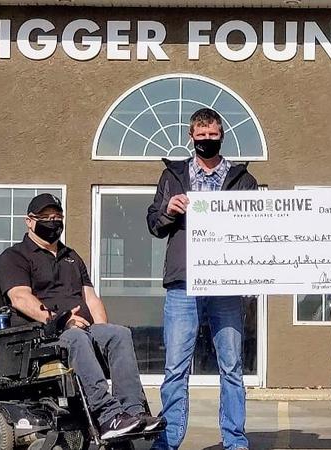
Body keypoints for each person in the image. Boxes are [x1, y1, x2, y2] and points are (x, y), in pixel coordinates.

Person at [0, 193, 164, 440]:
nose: (53, 222)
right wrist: (61, 320)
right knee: (76, 336)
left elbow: (91, 298)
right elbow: (20, 298)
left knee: (118, 334)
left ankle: (132, 413)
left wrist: (102, 333)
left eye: (57, 217)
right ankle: (108, 416)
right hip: (41, 336)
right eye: (46, 217)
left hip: (81, 330)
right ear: (29, 221)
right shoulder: (14, 257)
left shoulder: (71, 257)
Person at [147, 108, 259, 450]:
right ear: (191, 137)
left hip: (226, 284)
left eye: (212, 135)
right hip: (183, 284)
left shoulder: (243, 179)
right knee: (175, 368)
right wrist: (169, 210)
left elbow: (259, 228)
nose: (207, 140)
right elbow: (153, 223)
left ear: (222, 136)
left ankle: (235, 441)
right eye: (201, 135)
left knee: (232, 367)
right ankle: (167, 441)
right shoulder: (173, 176)